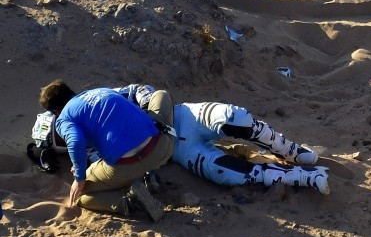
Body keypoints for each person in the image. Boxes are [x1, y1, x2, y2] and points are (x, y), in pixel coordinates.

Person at [114, 84, 330, 195]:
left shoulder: (103, 100)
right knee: (223, 172)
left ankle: (289, 150)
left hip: (181, 116)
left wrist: (150, 115)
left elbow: (142, 90)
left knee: (236, 118)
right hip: (176, 150)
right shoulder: (88, 152)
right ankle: (299, 177)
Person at [37, 80, 174, 222]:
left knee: (82, 195)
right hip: (161, 148)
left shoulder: (64, 118)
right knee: (161, 95)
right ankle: (168, 133)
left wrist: (79, 178)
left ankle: (130, 201)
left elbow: (75, 141)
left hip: (128, 165)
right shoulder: (102, 90)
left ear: (55, 111)